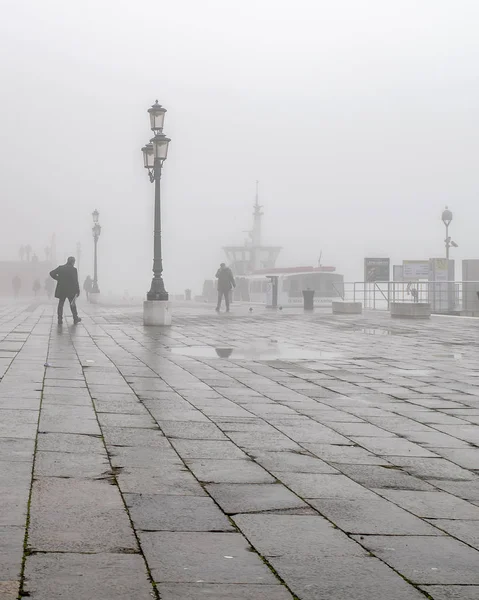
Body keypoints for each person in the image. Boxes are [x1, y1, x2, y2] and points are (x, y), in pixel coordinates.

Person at [50, 257, 81, 325]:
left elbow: (51, 273)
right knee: (72, 304)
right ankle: (75, 318)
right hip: (71, 290)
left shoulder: (61, 268)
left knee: (61, 304)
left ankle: (60, 319)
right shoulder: (73, 269)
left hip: (62, 289)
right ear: (72, 262)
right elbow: (76, 281)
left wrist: (58, 278)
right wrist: (78, 290)